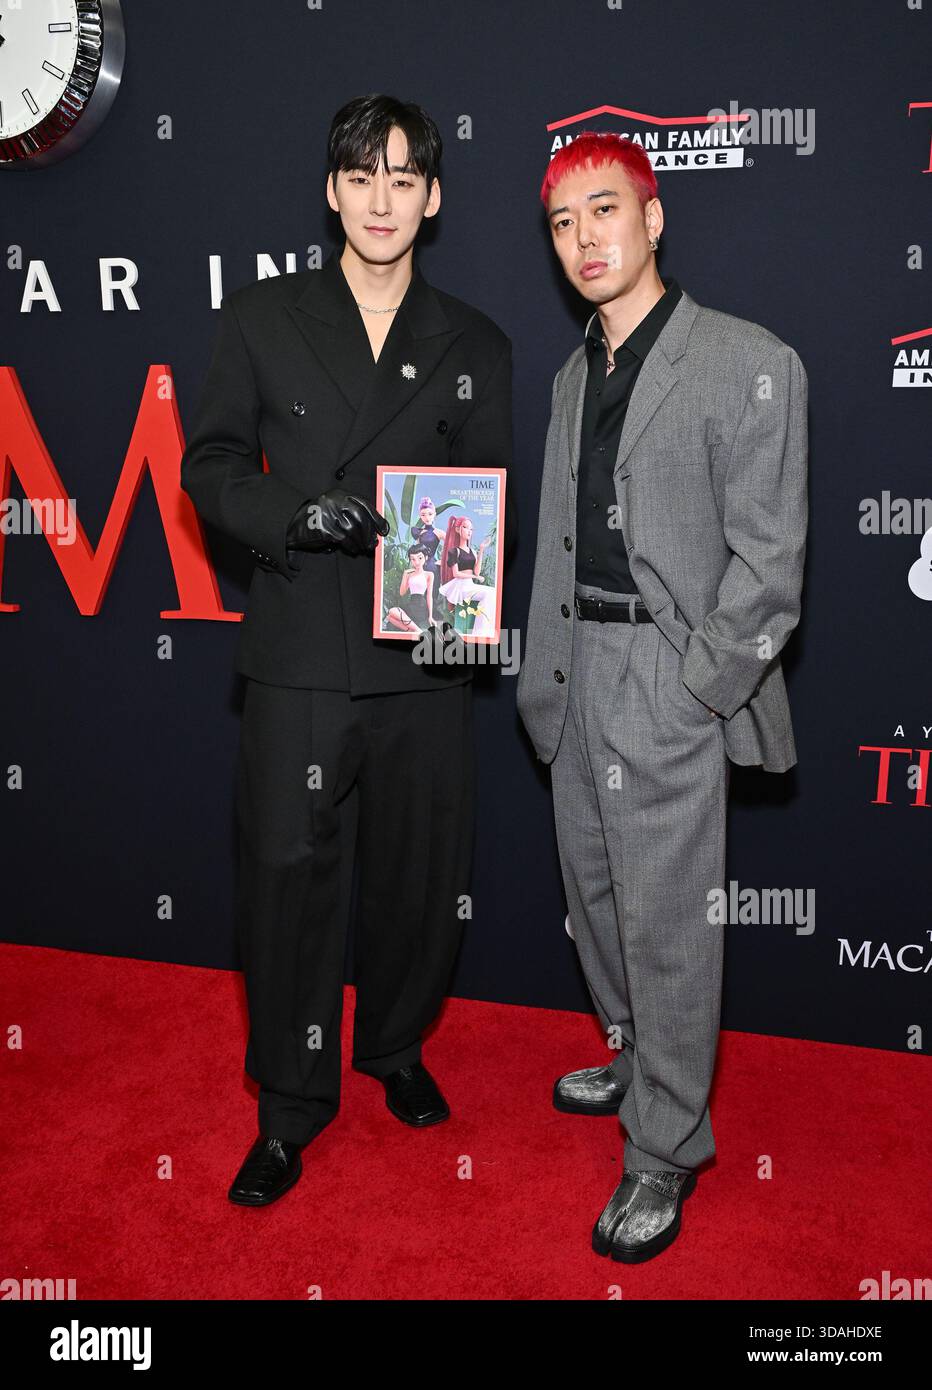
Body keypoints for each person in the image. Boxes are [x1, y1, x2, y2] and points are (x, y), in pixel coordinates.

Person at [181, 93, 514, 1206]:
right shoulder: (263, 317)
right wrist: (288, 512)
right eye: (362, 176)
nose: (382, 198)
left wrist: (461, 598)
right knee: (285, 881)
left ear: (433, 197)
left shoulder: (474, 341)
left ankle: (396, 1050)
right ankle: (287, 1104)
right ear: (332, 191)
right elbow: (211, 463)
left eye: (404, 177)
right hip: (298, 654)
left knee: (421, 879)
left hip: (422, 658)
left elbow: (488, 500)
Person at [516, 132, 808, 1262]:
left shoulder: (747, 359)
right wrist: (543, 673)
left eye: (603, 210)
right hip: (573, 668)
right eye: (560, 222)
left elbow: (769, 567)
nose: (583, 238)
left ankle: (663, 1148)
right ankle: (635, 1054)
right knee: (593, 894)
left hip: (666, 680)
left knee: (668, 920)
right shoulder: (567, 371)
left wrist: (697, 690)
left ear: (652, 217)